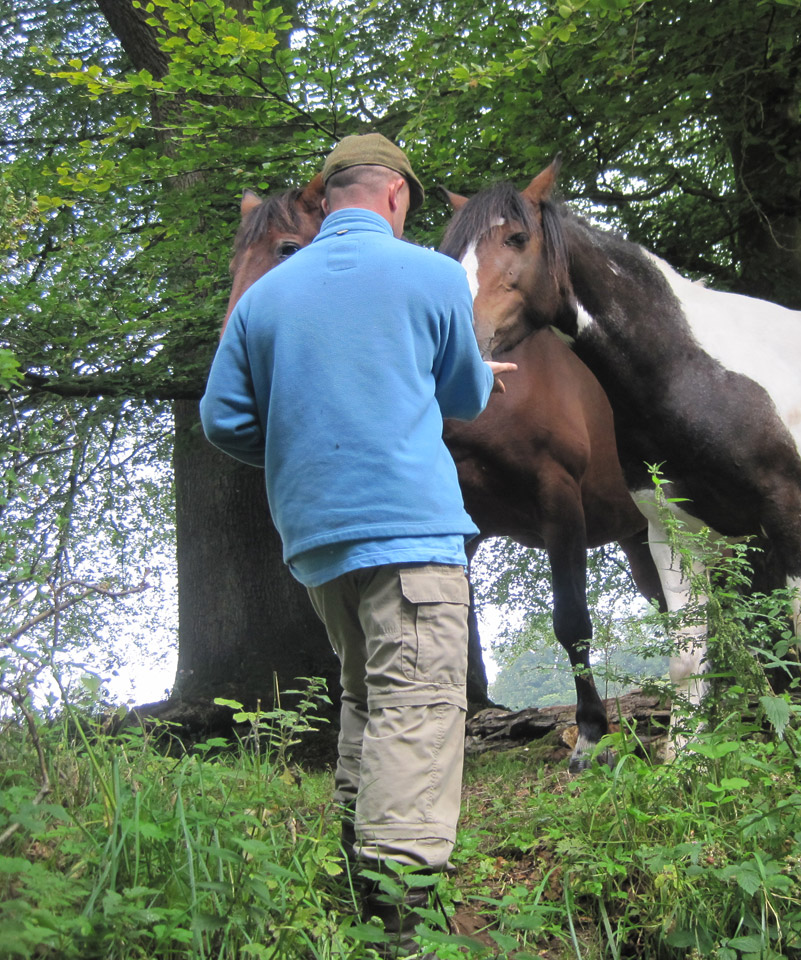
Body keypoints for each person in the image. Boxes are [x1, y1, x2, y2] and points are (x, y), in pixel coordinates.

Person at [199, 133, 515, 955]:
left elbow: (222, 420)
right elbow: (466, 393)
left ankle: (356, 875)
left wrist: (304, 434)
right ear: (397, 197)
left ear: (330, 196)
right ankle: (397, 923)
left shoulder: (265, 298)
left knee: (369, 703)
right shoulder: (434, 276)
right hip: (410, 532)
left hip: (316, 543)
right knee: (417, 709)